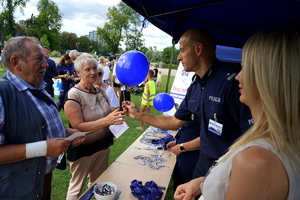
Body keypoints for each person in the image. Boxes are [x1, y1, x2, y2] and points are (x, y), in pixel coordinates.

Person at [174, 26, 300, 200]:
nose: (237, 77)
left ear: (267, 78)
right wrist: (202, 183)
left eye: (245, 68)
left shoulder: (256, 160)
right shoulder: (282, 141)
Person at [122, 27, 252, 191]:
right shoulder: (195, 86)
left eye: (182, 50)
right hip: (203, 162)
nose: (178, 57)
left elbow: (252, 135)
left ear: (198, 49)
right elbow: (175, 121)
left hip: (228, 167)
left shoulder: (232, 83)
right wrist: (138, 115)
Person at [0, 36, 83, 199]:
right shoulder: (3, 93)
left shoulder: (36, 86)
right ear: (16, 62)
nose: (46, 64)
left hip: (41, 178)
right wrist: (43, 148)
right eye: (39, 59)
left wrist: (65, 132)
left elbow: (38, 126)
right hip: (18, 187)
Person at [64, 53, 125, 200]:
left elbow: (106, 112)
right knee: (76, 188)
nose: (93, 72)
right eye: (88, 69)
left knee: (98, 182)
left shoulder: (100, 90)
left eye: (94, 69)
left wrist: (121, 109)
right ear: (78, 73)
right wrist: (107, 121)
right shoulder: (74, 94)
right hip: (84, 147)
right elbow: (78, 125)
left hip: (102, 145)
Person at [166, 74, 200, 191]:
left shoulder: (207, 107)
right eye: (193, 83)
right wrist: (177, 141)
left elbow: (208, 137)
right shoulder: (193, 101)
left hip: (193, 158)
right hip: (184, 154)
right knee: (179, 185)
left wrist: (181, 147)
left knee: (187, 190)